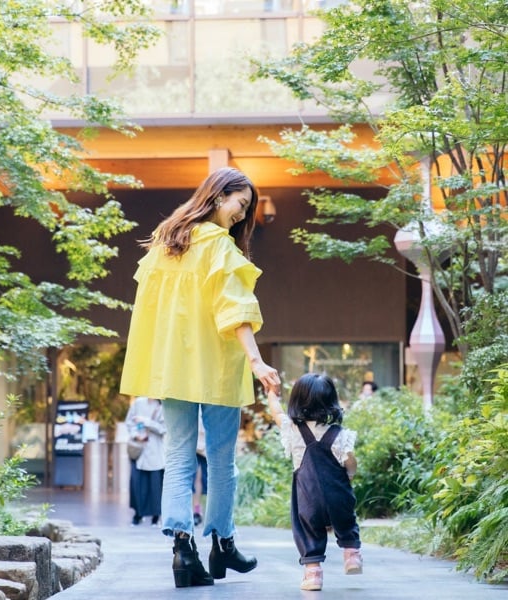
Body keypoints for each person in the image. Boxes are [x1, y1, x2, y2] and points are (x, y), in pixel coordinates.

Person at [120, 166, 280, 588]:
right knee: (222, 460)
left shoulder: (165, 241)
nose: (240, 215)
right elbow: (236, 310)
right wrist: (257, 362)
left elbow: (149, 311)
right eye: (240, 204)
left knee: (178, 456)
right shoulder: (219, 246)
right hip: (217, 367)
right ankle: (223, 544)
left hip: (174, 368)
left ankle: (182, 551)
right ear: (218, 195)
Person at [266, 373, 362, 591]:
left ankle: (313, 574)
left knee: (308, 529)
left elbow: (276, 412)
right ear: (331, 401)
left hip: (308, 496)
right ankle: (352, 555)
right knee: (346, 521)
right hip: (338, 493)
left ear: (297, 401)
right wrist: (349, 475)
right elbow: (350, 460)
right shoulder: (338, 433)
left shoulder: (293, 429)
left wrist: (272, 394)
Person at [125, 396, 166, 527]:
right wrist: (136, 435)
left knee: (155, 486)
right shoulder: (138, 402)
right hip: (140, 450)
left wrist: (146, 421)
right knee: (137, 484)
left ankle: (156, 516)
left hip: (155, 451)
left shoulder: (163, 405)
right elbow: (129, 422)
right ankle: (138, 514)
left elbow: (164, 428)